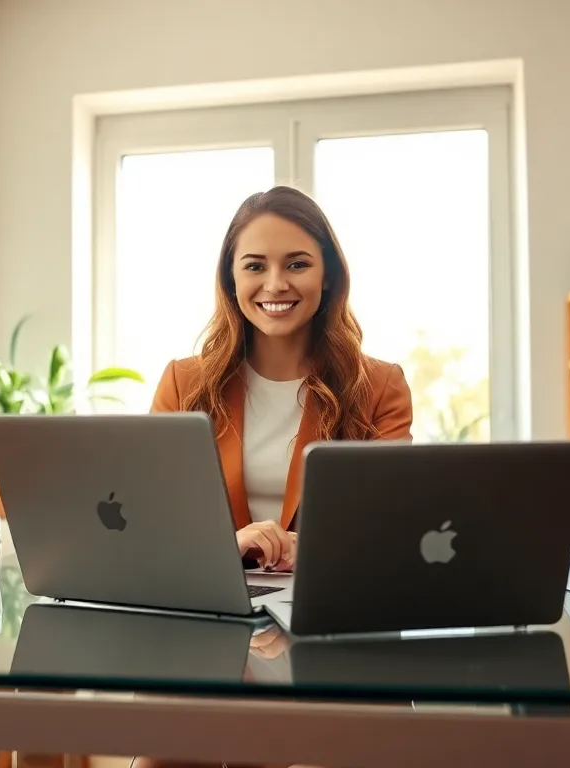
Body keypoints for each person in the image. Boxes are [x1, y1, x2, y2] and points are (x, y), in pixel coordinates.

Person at [131, 186, 412, 768]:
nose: (275, 284)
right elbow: (151, 528)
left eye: (297, 264)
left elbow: (391, 533)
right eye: (255, 266)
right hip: (209, 633)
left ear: (328, 276)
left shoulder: (379, 386)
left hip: (334, 639)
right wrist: (226, 548)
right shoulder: (185, 384)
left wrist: (304, 549)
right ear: (231, 280)